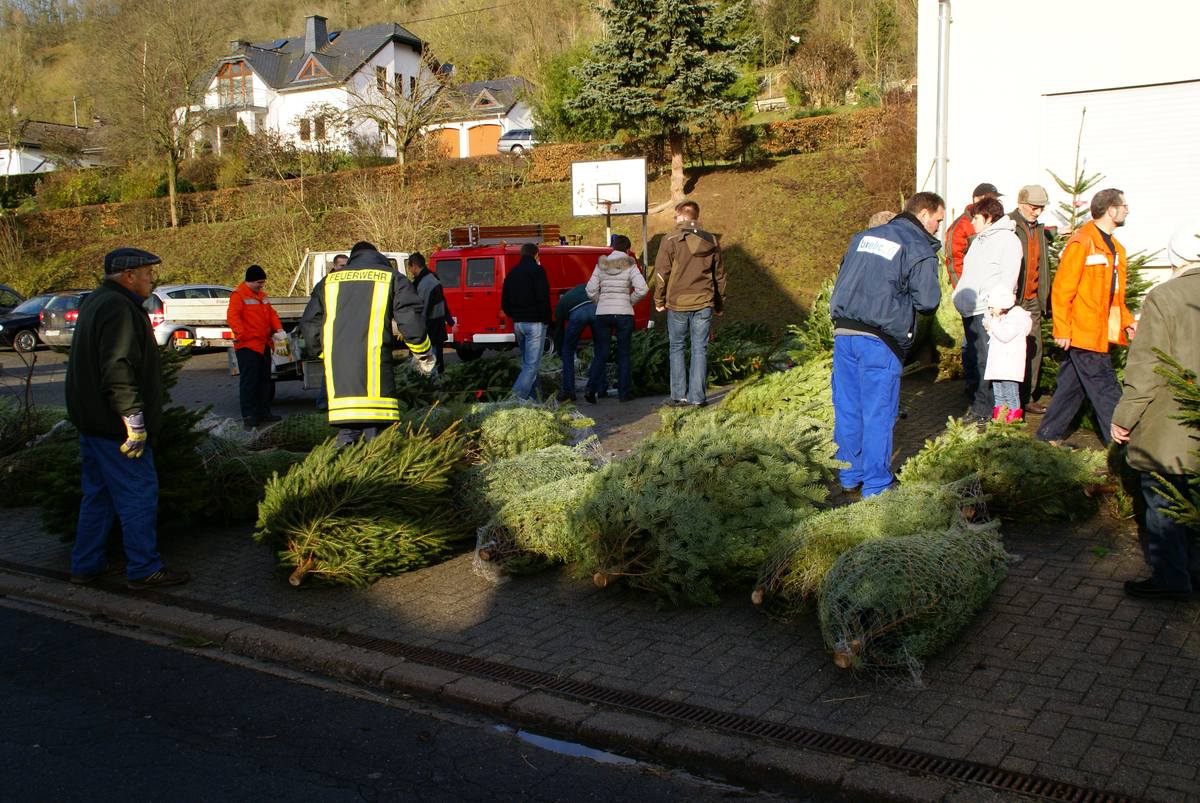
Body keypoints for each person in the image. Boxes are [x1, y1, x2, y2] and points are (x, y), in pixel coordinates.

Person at [64, 247, 190, 590]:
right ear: (128, 275)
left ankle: (86, 565)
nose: (152, 279)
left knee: (99, 495)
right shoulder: (118, 308)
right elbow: (117, 367)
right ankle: (144, 568)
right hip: (115, 427)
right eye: (148, 273)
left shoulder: (98, 301)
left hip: (93, 423)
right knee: (138, 493)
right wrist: (133, 418)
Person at [829, 192, 943, 497]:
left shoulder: (863, 238)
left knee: (848, 409)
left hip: (844, 334)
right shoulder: (918, 247)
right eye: (938, 220)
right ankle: (877, 486)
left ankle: (850, 476)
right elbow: (929, 302)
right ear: (923, 215)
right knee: (878, 412)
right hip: (880, 340)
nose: (938, 228)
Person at [1110, 221, 1200, 601]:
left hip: (1172, 422)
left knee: (1163, 497)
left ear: (1173, 258)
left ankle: (1171, 578)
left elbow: (1146, 369)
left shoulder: (1164, 297)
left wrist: (1123, 417)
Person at [301, 241, 435, 446]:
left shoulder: (328, 282)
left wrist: (324, 355)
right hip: (376, 378)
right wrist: (423, 352)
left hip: (341, 383)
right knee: (376, 438)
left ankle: (343, 474)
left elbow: (310, 324)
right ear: (377, 255)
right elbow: (410, 320)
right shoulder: (392, 278)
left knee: (348, 432)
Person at [1036, 189, 1135, 447]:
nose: (1127, 210)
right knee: (1106, 390)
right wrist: (1062, 329)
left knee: (1071, 387)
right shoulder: (1083, 242)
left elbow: (1114, 296)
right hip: (1084, 332)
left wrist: (1127, 322)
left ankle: (1048, 437)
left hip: (1098, 332)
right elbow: (1062, 289)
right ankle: (1124, 451)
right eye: (1124, 205)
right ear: (1110, 210)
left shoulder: (1115, 248)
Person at [951, 197, 1022, 420]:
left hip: (987, 310)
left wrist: (998, 306)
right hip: (970, 310)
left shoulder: (1008, 241)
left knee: (986, 363)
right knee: (973, 361)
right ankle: (978, 405)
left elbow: (1009, 275)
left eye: (977, 217)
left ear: (989, 218)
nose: (972, 222)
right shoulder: (979, 240)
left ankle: (987, 411)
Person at [653, 200, 725, 407]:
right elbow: (719, 275)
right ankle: (697, 398)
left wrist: (659, 299)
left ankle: (678, 395)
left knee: (676, 347)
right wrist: (720, 304)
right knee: (699, 349)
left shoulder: (671, 239)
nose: (675, 221)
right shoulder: (711, 240)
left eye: (676, 217)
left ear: (683, 217)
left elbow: (661, 273)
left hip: (677, 303)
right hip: (704, 302)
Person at [585, 235, 648, 403]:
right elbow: (642, 289)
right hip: (624, 313)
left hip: (603, 314)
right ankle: (624, 393)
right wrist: (629, 301)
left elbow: (590, 289)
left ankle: (591, 389)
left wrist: (601, 302)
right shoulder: (629, 263)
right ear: (627, 249)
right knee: (624, 354)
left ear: (612, 247)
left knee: (601, 352)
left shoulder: (602, 263)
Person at [1009, 185, 1053, 413]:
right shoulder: (1008, 225)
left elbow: (1046, 237)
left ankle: (1028, 397)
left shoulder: (1039, 229)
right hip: (1013, 299)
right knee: (1011, 352)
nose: (1037, 212)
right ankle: (1009, 400)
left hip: (1034, 297)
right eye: (1034, 208)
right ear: (1021, 204)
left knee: (1034, 348)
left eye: (1041, 208)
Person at [227, 264, 288, 429]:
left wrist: (279, 328)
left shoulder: (262, 296)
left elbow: (271, 314)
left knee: (265, 380)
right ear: (250, 281)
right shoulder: (238, 296)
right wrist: (241, 336)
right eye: (259, 282)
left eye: (263, 283)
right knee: (250, 382)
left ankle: (263, 412)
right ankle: (249, 415)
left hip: (263, 344)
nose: (261, 285)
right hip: (248, 346)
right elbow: (233, 317)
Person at [500, 242, 552, 401]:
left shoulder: (511, 273)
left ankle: (536, 400)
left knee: (527, 364)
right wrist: (546, 319)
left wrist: (514, 315)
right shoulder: (537, 271)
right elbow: (543, 297)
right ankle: (515, 399)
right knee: (532, 366)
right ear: (536, 255)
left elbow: (505, 302)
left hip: (519, 324)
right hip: (535, 323)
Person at [981, 285, 1033, 422]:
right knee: (999, 395)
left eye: (992, 307)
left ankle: (1013, 422)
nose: (990, 310)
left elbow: (1004, 335)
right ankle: (999, 421)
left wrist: (992, 323)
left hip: (1009, 366)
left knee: (1010, 395)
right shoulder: (1002, 316)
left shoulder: (1016, 317)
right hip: (999, 366)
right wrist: (990, 327)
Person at [944, 182, 1002, 287]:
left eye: (996, 199)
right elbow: (954, 263)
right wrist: (963, 292)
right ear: (977, 200)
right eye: (991, 200)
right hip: (972, 291)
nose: (995, 203)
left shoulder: (999, 221)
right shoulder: (959, 228)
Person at [314, 253, 348, 412]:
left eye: (346, 265)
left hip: (343, 333)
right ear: (334, 266)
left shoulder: (348, 283)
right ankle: (322, 403)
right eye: (341, 265)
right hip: (330, 334)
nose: (344, 269)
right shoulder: (324, 285)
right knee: (330, 371)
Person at [408, 252, 452, 375]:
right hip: (435, 328)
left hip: (430, 330)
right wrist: (450, 321)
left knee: (430, 364)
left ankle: (433, 387)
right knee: (436, 362)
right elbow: (443, 304)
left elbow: (423, 308)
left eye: (410, 267)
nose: (410, 271)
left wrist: (416, 330)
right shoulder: (431, 279)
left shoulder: (426, 283)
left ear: (415, 266)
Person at [553, 283, 596, 402]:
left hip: (578, 314)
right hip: (596, 308)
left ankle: (568, 391)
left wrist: (559, 349)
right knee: (600, 350)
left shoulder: (561, 305)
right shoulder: (583, 288)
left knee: (567, 351)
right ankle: (598, 387)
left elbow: (559, 330)